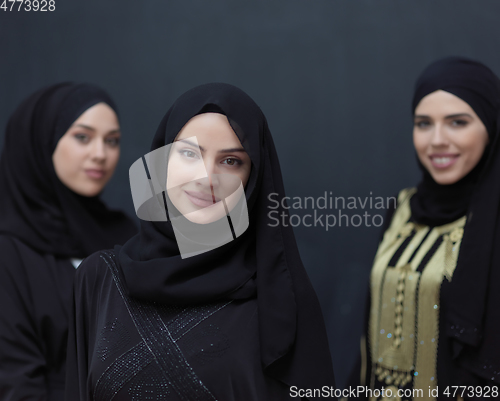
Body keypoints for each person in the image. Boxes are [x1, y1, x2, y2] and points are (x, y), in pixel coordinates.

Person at [65, 83, 336, 400]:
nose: (207, 177)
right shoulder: (99, 279)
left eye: (231, 161)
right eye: (189, 153)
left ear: (254, 179)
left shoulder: (280, 300)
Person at [350, 57, 500, 399]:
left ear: (491, 126)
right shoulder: (403, 207)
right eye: (423, 123)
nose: (436, 140)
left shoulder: (494, 220)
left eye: (457, 122)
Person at [0, 82, 137, 400]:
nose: (100, 154)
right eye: (82, 137)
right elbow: (15, 383)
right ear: (42, 141)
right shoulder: (9, 252)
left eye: (112, 141)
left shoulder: (126, 236)